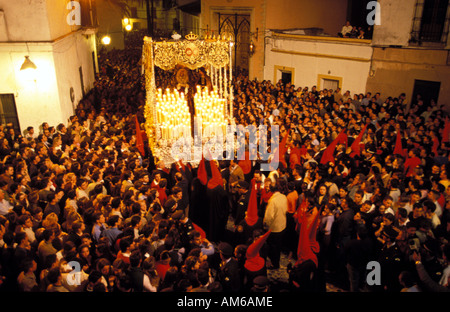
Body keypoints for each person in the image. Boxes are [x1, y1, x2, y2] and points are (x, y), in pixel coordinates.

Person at [263, 179, 287, 270]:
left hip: (274, 228)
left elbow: (269, 217)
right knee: (278, 247)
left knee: (273, 248)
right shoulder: (283, 197)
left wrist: (265, 226)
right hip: (282, 225)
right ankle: (275, 262)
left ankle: (274, 263)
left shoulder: (272, 201)